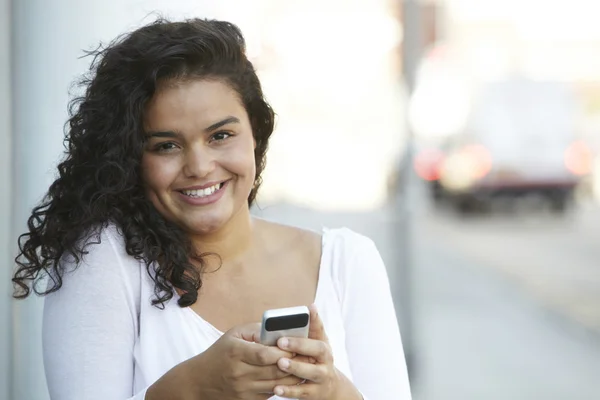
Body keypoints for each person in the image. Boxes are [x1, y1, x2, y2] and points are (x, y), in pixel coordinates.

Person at [12, 17, 411, 400]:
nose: (200, 167)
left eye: (221, 135)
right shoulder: (104, 260)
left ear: (256, 133)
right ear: (129, 156)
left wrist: (334, 393)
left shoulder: (346, 263)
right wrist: (191, 391)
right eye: (166, 145)